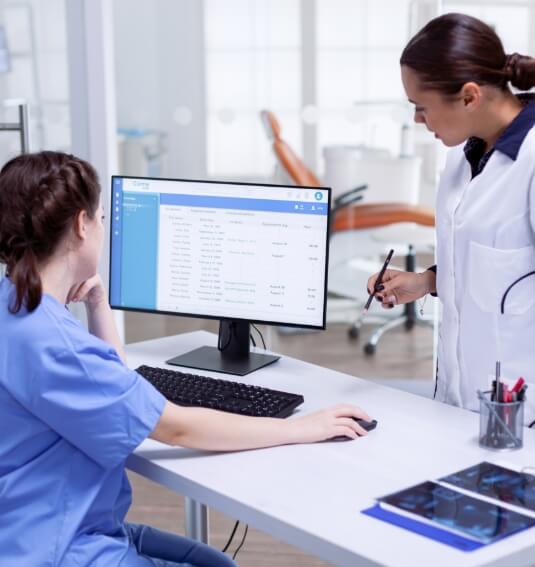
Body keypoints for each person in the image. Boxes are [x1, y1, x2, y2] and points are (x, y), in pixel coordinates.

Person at [0, 151, 371, 567]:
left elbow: (114, 385)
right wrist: (303, 427)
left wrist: (97, 303)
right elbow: (176, 429)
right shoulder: (59, 346)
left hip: (28, 530)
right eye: (102, 218)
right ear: (80, 225)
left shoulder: (16, 309)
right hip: (57, 548)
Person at [368, 13, 535, 423]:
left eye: (421, 108)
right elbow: (500, 270)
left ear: (469, 96)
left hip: (519, 417)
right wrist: (426, 281)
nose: (417, 120)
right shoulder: (460, 160)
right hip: (455, 403)